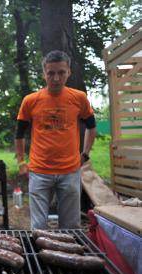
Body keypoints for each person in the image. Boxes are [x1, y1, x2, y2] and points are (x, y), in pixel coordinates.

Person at [14, 50, 96, 229]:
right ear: (44, 74)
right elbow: (19, 134)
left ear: (69, 72)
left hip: (70, 171)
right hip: (39, 172)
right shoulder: (31, 101)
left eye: (61, 72)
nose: (56, 78)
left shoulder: (79, 98)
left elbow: (91, 126)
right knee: (38, 226)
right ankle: (40, 257)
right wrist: (21, 162)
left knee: (71, 226)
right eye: (51, 73)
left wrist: (86, 154)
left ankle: (70, 256)